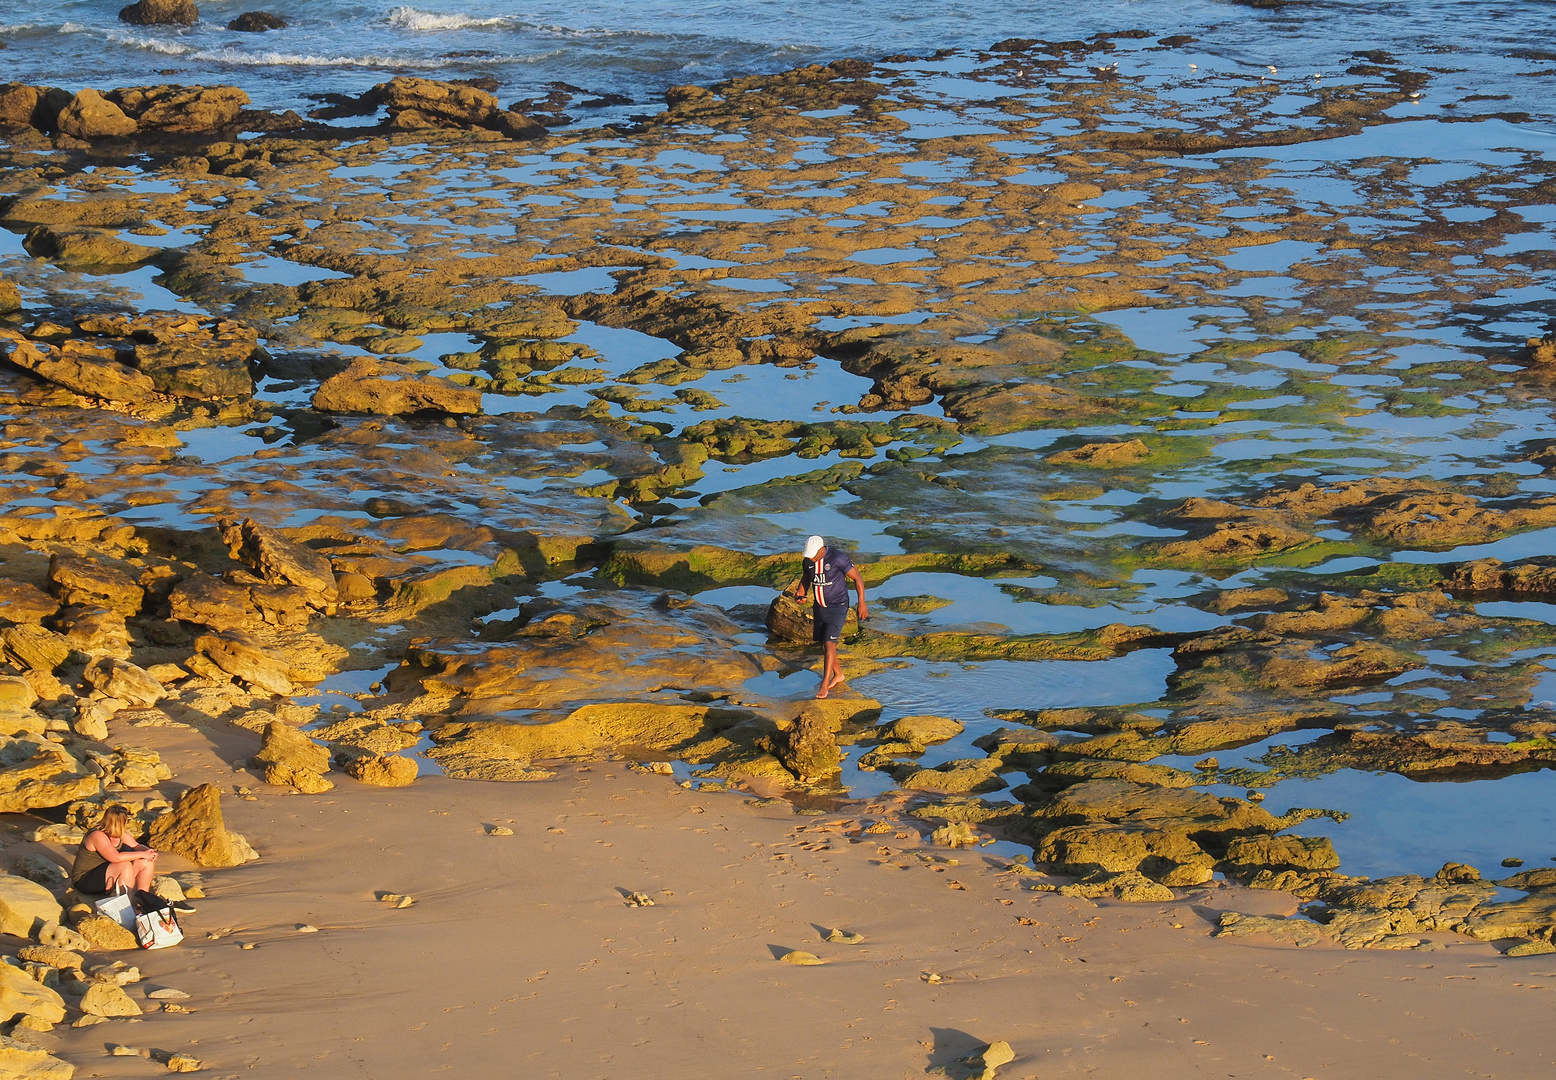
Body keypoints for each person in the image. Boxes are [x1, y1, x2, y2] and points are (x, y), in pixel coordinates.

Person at [793, 535, 868, 698]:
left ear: (821, 550)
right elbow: (806, 579)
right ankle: (838, 675)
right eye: (808, 555)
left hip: (838, 606)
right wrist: (801, 593)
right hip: (819, 607)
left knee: (830, 644)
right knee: (823, 645)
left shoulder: (838, 558)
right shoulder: (808, 561)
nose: (810, 558)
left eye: (813, 555)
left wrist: (861, 603)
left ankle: (824, 685)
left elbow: (857, 578)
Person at [71, 804, 158, 896]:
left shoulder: (121, 832)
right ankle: (126, 904)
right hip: (85, 879)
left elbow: (136, 846)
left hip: (108, 872)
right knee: (125, 865)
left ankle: (143, 899)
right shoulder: (97, 835)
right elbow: (115, 858)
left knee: (146, 861)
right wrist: (142, 854)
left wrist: (149, 852)